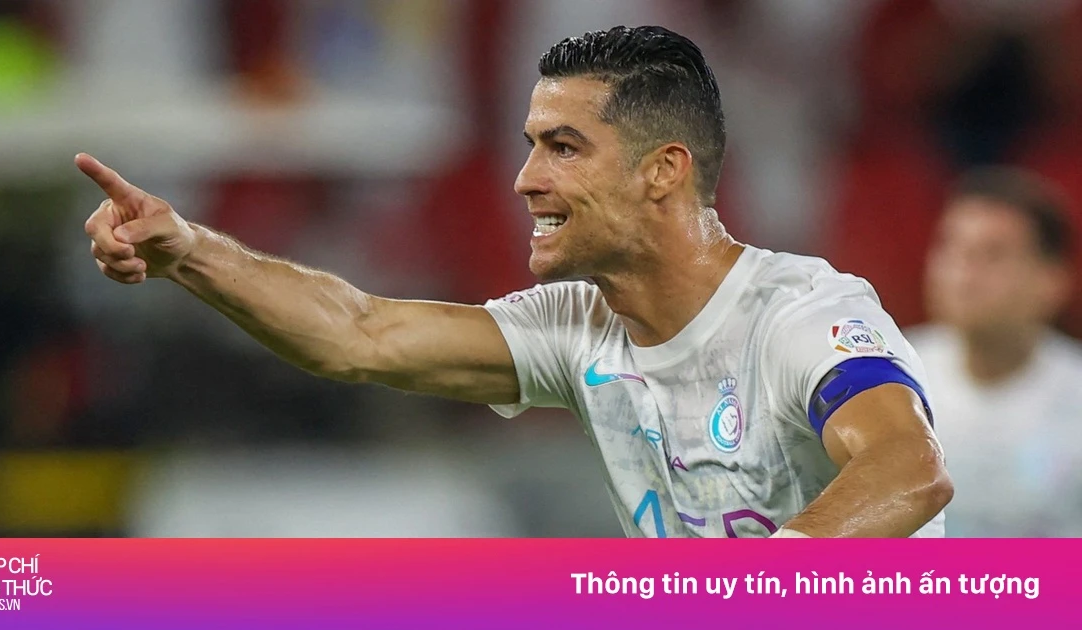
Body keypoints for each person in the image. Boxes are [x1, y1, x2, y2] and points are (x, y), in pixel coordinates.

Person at [79, 26, 950, 538]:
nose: (526, 180)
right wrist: (187, 250)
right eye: (531, 146)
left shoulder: (800, 315)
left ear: (663, 170)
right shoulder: (577, 327)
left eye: (563, 148)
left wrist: (746, 593)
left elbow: (909, 469)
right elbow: (358, 334)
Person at [909, 167, 1082, 537]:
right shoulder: (885, 379)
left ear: (1052, 280)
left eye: (992, 254)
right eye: (952, 247)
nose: (963, 272)